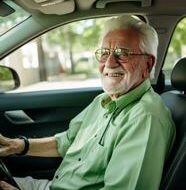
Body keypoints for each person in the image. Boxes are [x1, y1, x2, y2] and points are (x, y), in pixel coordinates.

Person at [0, 15, 176, 190]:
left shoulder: (144, 118)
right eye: (104, 53)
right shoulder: (103, 100)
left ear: (147, 65)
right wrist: (17, 145)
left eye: (123, 53)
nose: (109, 62)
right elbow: (67, 141)